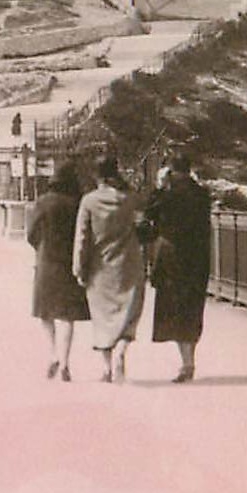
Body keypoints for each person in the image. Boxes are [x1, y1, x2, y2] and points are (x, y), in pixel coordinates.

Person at [73, 156, 145, 381]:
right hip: (129, 263)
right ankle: (121, 351)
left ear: (95, 175)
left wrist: (78, 267)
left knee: (102, 316)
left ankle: (106, 368)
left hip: (100, 266)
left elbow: (82, 237)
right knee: (128, 313)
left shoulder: (89, 201)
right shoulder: (128, 199)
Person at [144, 152, 212, 381]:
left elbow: (149, 213)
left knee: (174, 308)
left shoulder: (167, 195)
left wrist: (160, 186)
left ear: (170, 171)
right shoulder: (202, 194)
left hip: (171, 258)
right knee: (192, 307)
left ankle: (186, 363)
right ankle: (189, 360)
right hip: (198, 258)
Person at [26, 163, 90, 381]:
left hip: (46, 262)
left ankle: (53, 353)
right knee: (67, 316)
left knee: (45, 313)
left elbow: (31, 234)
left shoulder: (43, 202)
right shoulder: (77, 203)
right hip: (69, 263)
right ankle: (64, 360)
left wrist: (41, 247)